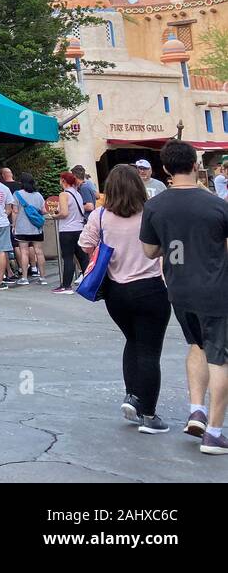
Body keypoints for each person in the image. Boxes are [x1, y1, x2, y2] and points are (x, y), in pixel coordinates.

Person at [140, 139, 228, 454]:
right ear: (195, 165)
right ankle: (215, 433)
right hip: (216, 289)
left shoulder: (155, 206)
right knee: (220, 357)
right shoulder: (217, 204)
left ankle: (197, 411)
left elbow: (149, 250)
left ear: (164, 169)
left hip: (178, 290)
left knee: (196, 345)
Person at [80, 164, 171, 433]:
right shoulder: (150, 213)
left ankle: (132, 396)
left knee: (132, 341)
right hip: (151, 288)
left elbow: (85, 244)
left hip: (115, 292)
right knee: (150, 351)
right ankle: (150, 415)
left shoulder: (100, 215)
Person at [54, 172, 91, 294]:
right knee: (82, 257)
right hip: (79, 228)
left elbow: (64, 213)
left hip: (67, 230)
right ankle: (89, 282)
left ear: (63, 181)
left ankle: (66, 286)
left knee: (68, 257)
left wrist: (55, 216)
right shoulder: (77, 194)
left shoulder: (64, 194)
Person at [11, 174, 48, 286]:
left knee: (24, 252)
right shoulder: (38, 195)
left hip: (22, 228)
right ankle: (42, 277)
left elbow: (15, 211)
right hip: (36, 228)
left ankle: (24, 278)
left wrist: (14, 225)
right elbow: (43, 211)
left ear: (22, 183)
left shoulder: (17, 194)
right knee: (39, 252)